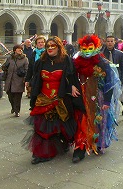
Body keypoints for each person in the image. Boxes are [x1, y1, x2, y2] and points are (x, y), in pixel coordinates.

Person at [27, 36, 85, 164]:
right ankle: (43, 153)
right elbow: (36, 79)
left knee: (61, 126)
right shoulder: (41, 62)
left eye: (53, 46)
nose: (50, 48)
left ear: (59, 47)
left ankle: (61, 146)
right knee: (42, 127)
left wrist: (71, 86)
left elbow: (71, 78)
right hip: (43, 99)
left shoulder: (66, 61)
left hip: (60, 99)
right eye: (48, 46)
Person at [73, 34, 121, 155]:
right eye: (84, 48)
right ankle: (83, 144)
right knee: (85, 119)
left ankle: (100, 143)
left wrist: (106, 101)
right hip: (83, 94)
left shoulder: (102, 61)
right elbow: (72, 76)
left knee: (100, 119)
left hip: (99, 95)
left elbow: (110, 81)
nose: (87, 51)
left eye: (90, 48)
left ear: (95, 47)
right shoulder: (77, 61)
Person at [2, 45, 29, 117]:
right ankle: (13, 107)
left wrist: (25, 78)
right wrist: (5, 66)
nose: (20, 50)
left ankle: (17, 111)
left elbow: (27, 69)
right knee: (10, 95)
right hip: (9, 79)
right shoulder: (10, 58)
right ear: (14, 50)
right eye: (18, 49)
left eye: (21, 49)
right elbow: (4, 67)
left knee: (17, 96)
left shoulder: (25, 59)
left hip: (19, 80)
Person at [25, 35, 46, 102]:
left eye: (42, 42)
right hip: (36, 79)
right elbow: (30, 68)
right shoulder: (33, 54)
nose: (40, 44)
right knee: (36, 97)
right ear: (36, 44)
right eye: (39, 42)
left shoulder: (47, 53)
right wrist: (27, 80)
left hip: (45, 78)